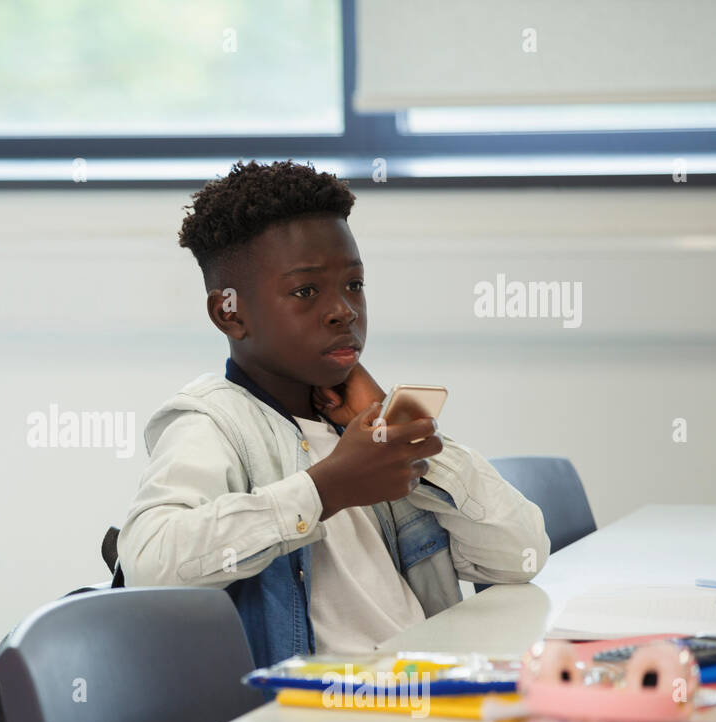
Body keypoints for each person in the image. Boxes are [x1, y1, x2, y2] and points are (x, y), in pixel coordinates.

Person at [117, 161, 549, 668]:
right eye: (306, 292)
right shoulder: (212, 423)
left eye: (354, 285)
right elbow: (148, 562)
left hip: (427, 689)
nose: (343, 310)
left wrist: (396, 421)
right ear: (229, 313)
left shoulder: (366, 427)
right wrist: (326, 489)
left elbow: (521, 554)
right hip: (316, 717)